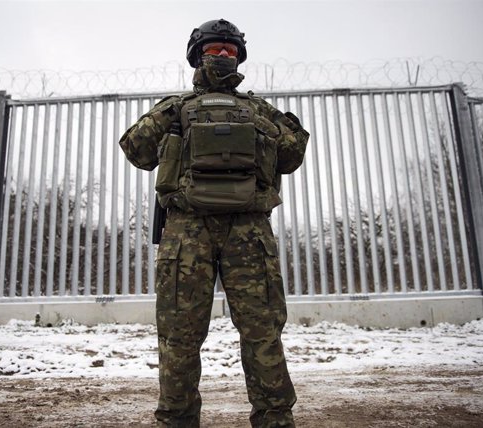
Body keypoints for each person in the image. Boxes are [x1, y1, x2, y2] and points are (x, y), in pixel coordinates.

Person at [119, 18, 309, 428]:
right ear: (197, 55)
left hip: (242, 230)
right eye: (214, 50)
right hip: (192, 230)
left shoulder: (254, 109)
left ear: (239, 57)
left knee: (261, 333)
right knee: (181, 337)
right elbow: (137, 150)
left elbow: (292, 156)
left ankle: (274, 419)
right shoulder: (180, 108)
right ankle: (179, 420)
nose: (222, 57)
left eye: (229, 50)